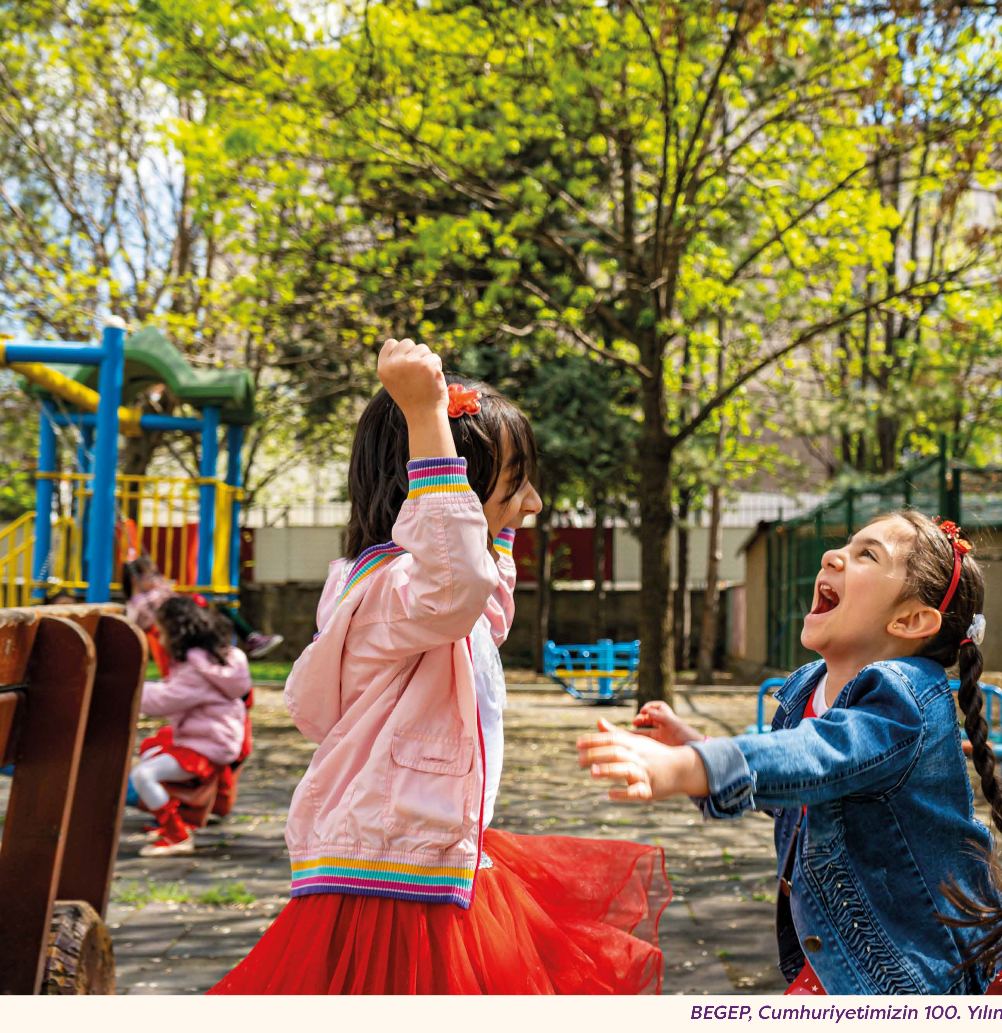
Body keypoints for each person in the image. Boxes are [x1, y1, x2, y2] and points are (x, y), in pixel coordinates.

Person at [210, 339, 669, 995]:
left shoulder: (434, 601)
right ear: (433, 491)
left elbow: (484, 601)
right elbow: (457, 585)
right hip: (387, 880)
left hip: (424, 855)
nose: (534, 504)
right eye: (514, 486)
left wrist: (495, 524)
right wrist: (427, 418)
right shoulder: (392, 595)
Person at [579, 512, 1002, 995]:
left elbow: (822, 754)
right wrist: (698, 746)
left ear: (912, 621)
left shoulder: (907, 699)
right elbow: (795, 779)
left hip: (913, 969)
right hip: (842, 955)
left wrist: (688, 769)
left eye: (867, 555)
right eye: (845, 546)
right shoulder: (807, 688)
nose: (833, 556)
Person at [132, 594, 252, 857]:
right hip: (219, 739)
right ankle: (178, 818)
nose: (159, 639)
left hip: (207, 745)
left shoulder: (194, 671)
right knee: (152, 750)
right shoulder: (221, 658)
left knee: (143, 776)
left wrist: (130, 688)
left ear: (175, 633)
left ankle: (177, 834)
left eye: (161, 633)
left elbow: (162, 701)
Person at [123, 555, 283, 664]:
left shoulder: (152, 595)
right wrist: (163, 590)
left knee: (221, 611)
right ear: (135, 580)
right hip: (181, 630)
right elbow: (136, 622)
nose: (156, 580)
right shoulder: (139, 603)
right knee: (217, 615)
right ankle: (250, 640)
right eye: (152, 576)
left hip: (186, 623)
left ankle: (251, 640)